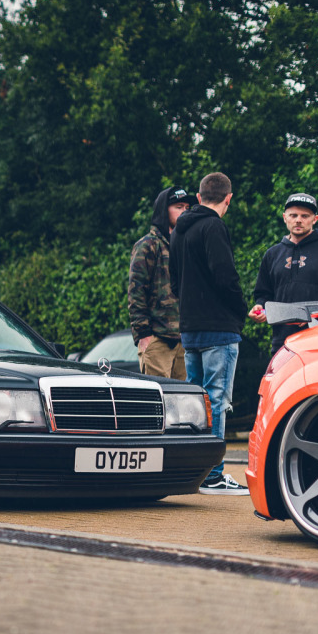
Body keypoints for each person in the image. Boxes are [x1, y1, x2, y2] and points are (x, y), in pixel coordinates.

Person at [169, 172, 249, 494]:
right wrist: (241, 310)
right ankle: (214, 474)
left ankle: (195, 471)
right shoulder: (214, 226)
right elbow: (225, 276)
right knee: (216, 399)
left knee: (195, 400)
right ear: (227, 199)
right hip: (218, 327)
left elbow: (175, 282)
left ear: (199, 197)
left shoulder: (179, 232)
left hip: (190, 327)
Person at [249, 193, 318, 355]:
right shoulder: (273, 254)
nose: (298, 220)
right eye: (293, 215)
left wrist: (312, 314)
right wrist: (261, 308)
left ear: (315, 219)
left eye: (304, 216)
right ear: (285, 217)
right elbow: (264, 294)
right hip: (282, 341)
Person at [128, 186, 196, 379]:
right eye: (178, 206)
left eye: (187, 207)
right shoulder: (148, 245)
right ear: (164, 210)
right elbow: (136, 293)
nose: (184, 211)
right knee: (159, 403)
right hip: (157, 339)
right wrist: (143, 335)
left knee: (183, 402)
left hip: (185, 340)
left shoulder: (187, 245)